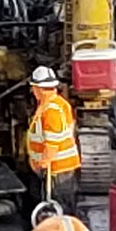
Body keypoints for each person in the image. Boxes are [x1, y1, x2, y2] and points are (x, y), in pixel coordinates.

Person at [27, 66, 81, 213]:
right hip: (59, 169)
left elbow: (52, 145)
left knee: (59, 208)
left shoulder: (51, 110)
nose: (32, 92)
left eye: (33, 88)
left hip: (57, 170)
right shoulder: (57, 104)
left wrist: (43, 164)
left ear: (38, 88)